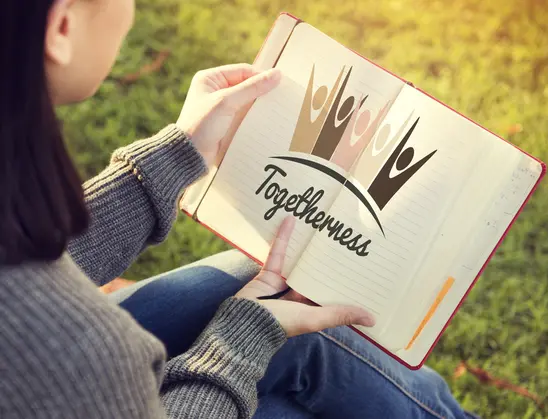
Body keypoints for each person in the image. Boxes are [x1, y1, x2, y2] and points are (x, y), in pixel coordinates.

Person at [0, 0, 476, 418]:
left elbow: (23, 257)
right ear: (61, 27)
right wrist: (240, 341)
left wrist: (174, 157)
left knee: (257, 288)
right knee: (291, 360)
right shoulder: (82, 349)